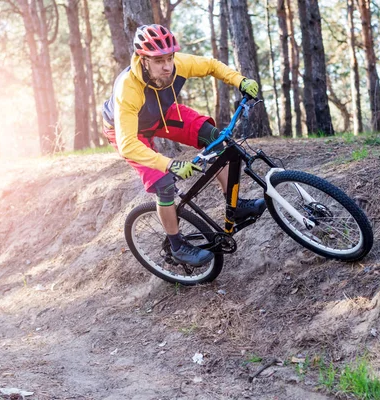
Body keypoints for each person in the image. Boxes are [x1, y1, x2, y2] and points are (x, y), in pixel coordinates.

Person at [102, 24, 265, 267]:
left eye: (169, 58)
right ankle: (177, 246)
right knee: (164, 184)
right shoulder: (128, 87)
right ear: (142, 59)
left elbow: (210, 65)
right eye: (159, 61)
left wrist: (239, 80)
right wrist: (169, 164)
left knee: (217, 140)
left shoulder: (178, 65)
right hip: (128, 131)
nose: (167, 66)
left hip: (162, 114)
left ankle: (236, 206)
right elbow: (127, 144)